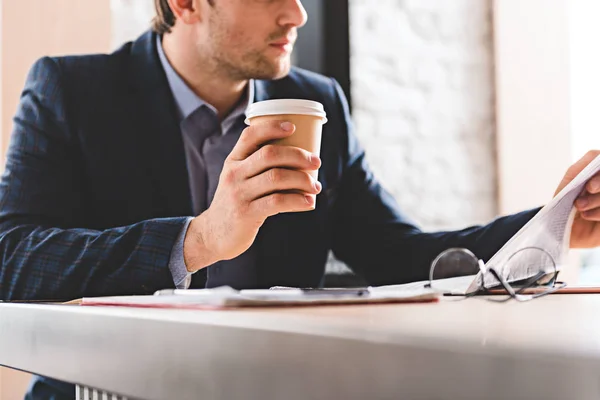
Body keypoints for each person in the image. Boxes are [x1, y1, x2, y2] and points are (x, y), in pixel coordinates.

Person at [2, 0, 600, 399]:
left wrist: (553, 225)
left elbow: (395, 253)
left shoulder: (317, 102)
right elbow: (15, 258)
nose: (297, 13)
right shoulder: (72, 90)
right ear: (183, 3)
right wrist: (203, 237)